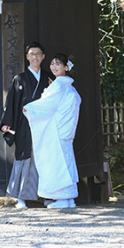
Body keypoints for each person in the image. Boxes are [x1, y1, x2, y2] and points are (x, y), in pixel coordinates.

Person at [23, 53, 82, 209]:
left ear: (65, 67)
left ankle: (62, 198)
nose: (54, 67)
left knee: (57, 163)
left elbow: (47, 104)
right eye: (52, 64)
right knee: (66, 161)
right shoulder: (68, 86)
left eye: (58, 64)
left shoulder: (59, 85)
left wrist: (29, 109)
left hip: (57, 131)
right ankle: (69, 198)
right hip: (65, 131)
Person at [0, 42, 50, 209]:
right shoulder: (19, 79)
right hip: (24, 124)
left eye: (38, 54)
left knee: (44, 158)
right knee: (24, 157)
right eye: (32, 54)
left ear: (43, 57)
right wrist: (7, 123)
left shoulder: (49, 78)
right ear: (27, 57)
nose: (35, 57)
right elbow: (12, 103)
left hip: (44, 125)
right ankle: (20, 197)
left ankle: (47, 196)